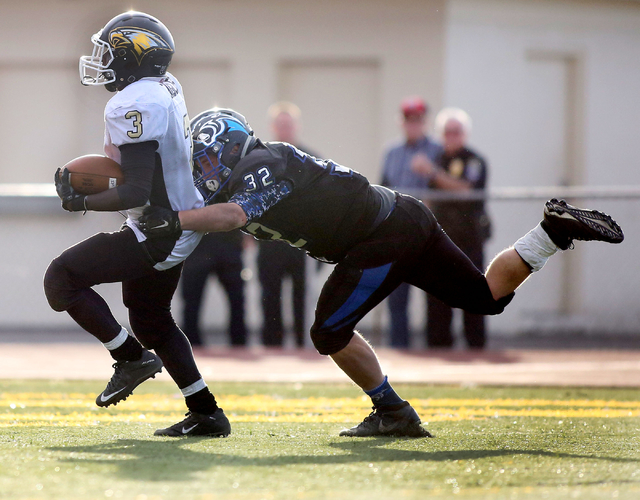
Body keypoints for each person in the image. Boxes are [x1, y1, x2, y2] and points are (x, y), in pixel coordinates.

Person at [138, 107, 624, 438]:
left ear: (230, 146)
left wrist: (173, 219)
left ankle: (392, 411)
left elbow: (234, 217)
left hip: (381, 234)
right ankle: (551, 232)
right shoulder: (261, 161)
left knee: (328, 329)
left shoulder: (262, 163)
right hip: (400, 218)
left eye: (206, 157)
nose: (203, 169)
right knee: (485, 296)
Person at [43, 12, 230, 438]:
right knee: (150, 319)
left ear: (133, 55)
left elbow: (136, 192)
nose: (101, 60)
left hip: (159, 229)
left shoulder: (133, 102)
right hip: (177, 223)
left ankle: (130, 358)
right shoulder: (164, 86)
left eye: (108, 52)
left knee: (61, 278)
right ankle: (206, 412)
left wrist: (82, 200)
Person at [412, 107, 491, 348]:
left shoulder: (474, 160)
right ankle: (438, 351)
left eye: (456, 131)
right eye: (447, 132)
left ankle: (476, 350)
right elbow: (426, 197)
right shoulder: (436, 158)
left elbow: (467, 189)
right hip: (439, 242)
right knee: (437, 298)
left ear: (465, 133)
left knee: (473, 296)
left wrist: (433, 174)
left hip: (469, 240)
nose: (452, 136)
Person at [380, 96, 443, 348]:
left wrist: (431, 171)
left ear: (425, 121)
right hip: (399, 233)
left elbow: (447, 191)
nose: (413, 125)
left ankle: (437, 351)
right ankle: (400, 351)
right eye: (409, 120)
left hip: (429, 233)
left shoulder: (438, 150)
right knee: (396, 297)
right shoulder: (392, 152)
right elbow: (382, 187)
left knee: (436, 296)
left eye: (418, 120)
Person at [257, 102, 317, 347]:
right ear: (273, 127)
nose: (285, 129)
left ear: (297, 127)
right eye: (280, 125)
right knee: (270, 296)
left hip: (301, 243)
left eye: (288, 124)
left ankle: (303, 346)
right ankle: (273, 347)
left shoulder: (311, 160)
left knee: (301, 298)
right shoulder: (260, 158)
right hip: (270, 241)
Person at [180, 230, 247, 347]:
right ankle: (191, 345)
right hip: (204, 242)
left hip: (210, 241)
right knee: (191, 302)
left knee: (237, 299)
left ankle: (239, 344)